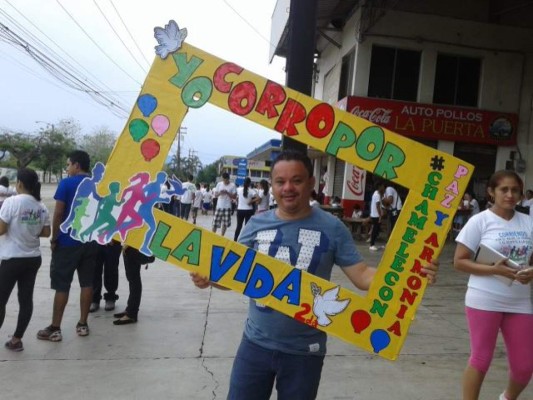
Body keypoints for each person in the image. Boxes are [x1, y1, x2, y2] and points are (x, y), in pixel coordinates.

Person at [191, 150, 439, 400]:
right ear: (273, 186)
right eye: (280, 181)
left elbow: (362, 276)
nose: (288, 188)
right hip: (254, 345)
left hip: (305, 352)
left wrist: (409, 275)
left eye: (296, 180)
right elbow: (232, 275)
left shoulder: (333, 227)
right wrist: (209, 280)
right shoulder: (256, 225)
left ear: (311, 183)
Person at [454, 170, 533, 400]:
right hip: (484, 299)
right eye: (504, 189)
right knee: (480, 359)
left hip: (519, 301)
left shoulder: (528, 222)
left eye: (515, 190)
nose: (509, 195)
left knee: (525, 366)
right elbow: (459, 261)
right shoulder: (479, 221)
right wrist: (494, 270)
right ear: (491, 192)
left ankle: (507, 398)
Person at [37, 150, 99, 342]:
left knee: (62, 285)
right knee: (87, 283)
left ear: (76, 165)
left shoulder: (66, 184)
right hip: (90, 241)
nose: (67, 168)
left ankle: (55, 328)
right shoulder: (97, 185)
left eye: (68, 165)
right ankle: (82, 324)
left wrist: (54, 238)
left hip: (67, 242)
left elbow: (58, 214)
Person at [0, 168, 50, 351]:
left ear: (20, 183)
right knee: (26, 299)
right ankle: (16, 340)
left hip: (12, 258)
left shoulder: (12, 202)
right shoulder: (41, 206)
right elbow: (46, 232)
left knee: (1, 299)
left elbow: (1, 230)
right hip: (32, 258)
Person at [113, 246, 154, 325]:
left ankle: (131, 313)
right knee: (132, 279)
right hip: (130, 247)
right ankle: (130, 309)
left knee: (134, 280)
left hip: (134, 248)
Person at [89, 241, 122, 312]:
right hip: (96, 240)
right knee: (95, 270)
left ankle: (110, 297)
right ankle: (94, 299)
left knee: (111, 270)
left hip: (113, 241)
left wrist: (112, 238)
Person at [212, 172, 236, 236]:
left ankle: (222, 236)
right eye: (223, 179)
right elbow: (215, 195)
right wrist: (220, 193)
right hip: (219, 206)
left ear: (228, 179)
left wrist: (227, 193)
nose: (224, 181)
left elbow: (234, 196)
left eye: (225, 180)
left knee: (225, 224)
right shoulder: (219, 184)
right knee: (215, 223)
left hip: (227, 207)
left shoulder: (232, 185)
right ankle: (212, 235)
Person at [369, 180, 385, 251]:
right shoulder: (377, 195)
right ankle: (372, 244)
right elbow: (377, 206)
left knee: (376, 229)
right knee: (375, 230)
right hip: (376, 216)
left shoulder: (376, 193)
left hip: (374, 215)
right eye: (382, 186)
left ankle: (372, 243)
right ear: (379, 187)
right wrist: (380, 216)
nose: (383, 187)